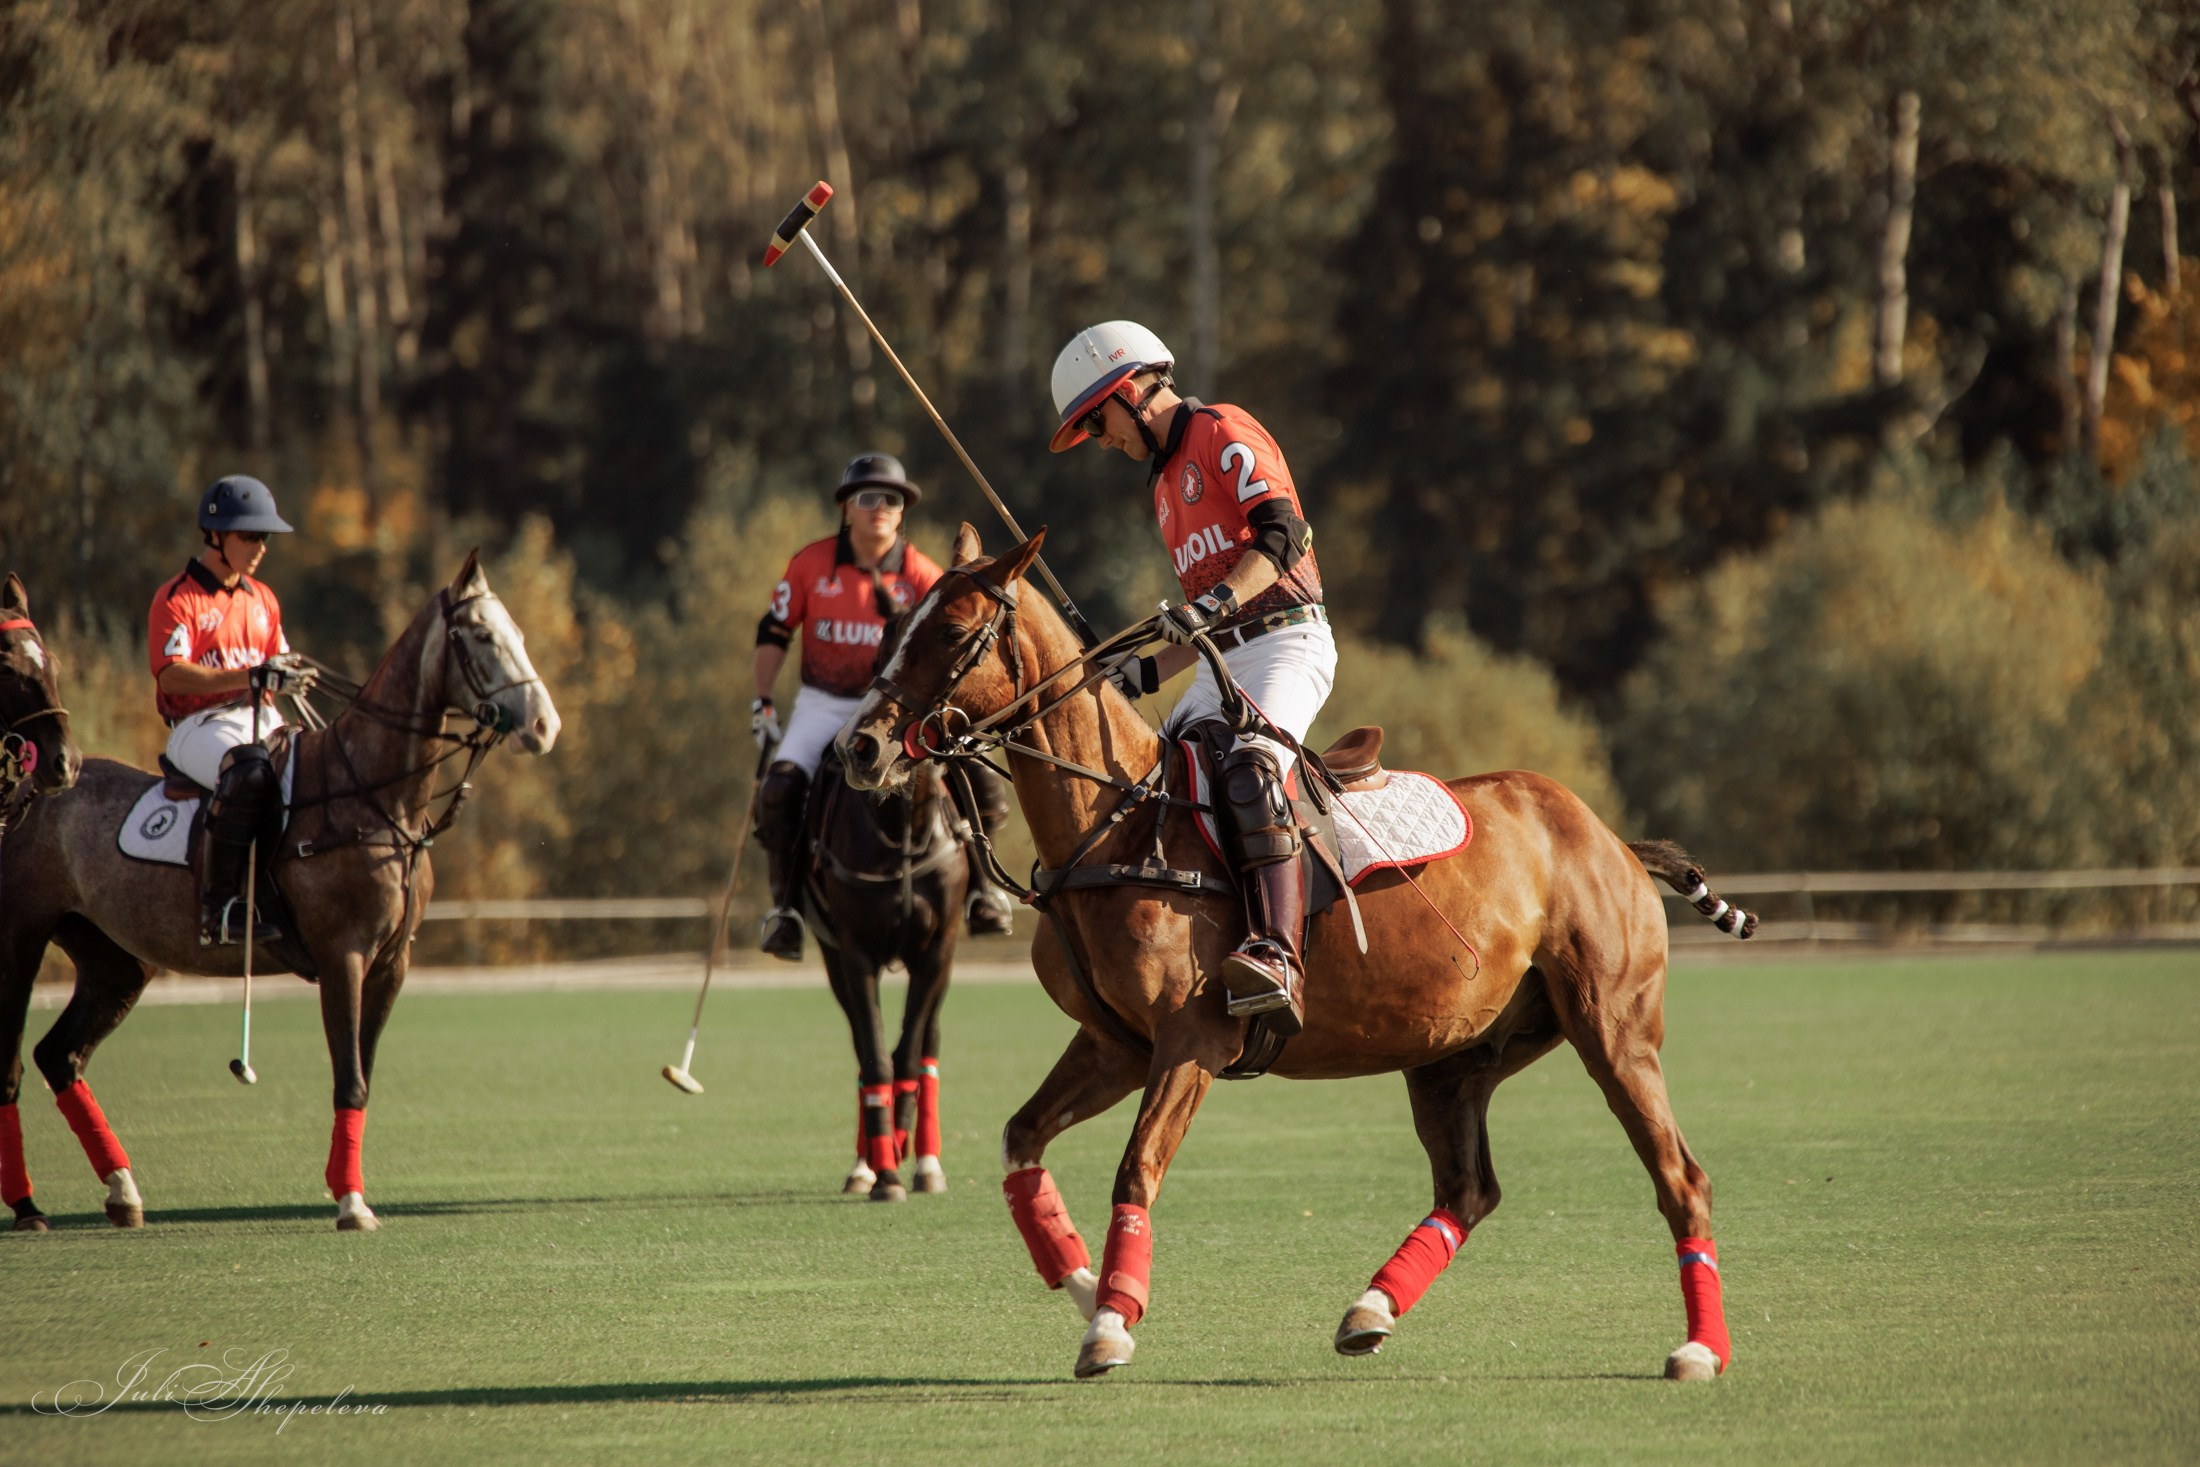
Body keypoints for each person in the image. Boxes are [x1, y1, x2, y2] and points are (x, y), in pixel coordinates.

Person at [1050, 321, 1332, 1035]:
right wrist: (1139, 672)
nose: (1100, 441)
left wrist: (1213, 605)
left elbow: (1284, 534)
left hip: (1287, 642)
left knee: (1250, 772)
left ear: (1130, 391)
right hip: (1221, 660)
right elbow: (1196, 625)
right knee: (1148, 788)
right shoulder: (1164, 488)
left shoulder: (1221, 430)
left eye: (1097, 422)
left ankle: (1278, 953)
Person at [751, 454, 1018, 960]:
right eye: (867, 497)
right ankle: (785, 909)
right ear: (846, 508)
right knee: (780, 788)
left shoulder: (922, 573)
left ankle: (984, 890)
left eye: (891, 499)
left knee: (979, 776)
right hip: (827, 702)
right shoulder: (811, 564)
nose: (880, 507)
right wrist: (762, 703)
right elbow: (774, 630)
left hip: (904, 708)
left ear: (902, 512)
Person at [148, 475, 317, 945]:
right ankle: (219, 909)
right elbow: (171, 675)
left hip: (261, 720)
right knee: (249, 772)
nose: (260, 547)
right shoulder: (178, 598)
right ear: (215, 535)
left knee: (319, 766)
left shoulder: (263, 599)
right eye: (249, 536)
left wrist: (290, 674)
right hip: (198, 726)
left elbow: (277, 662)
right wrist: (250, 677)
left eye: (264, 537)